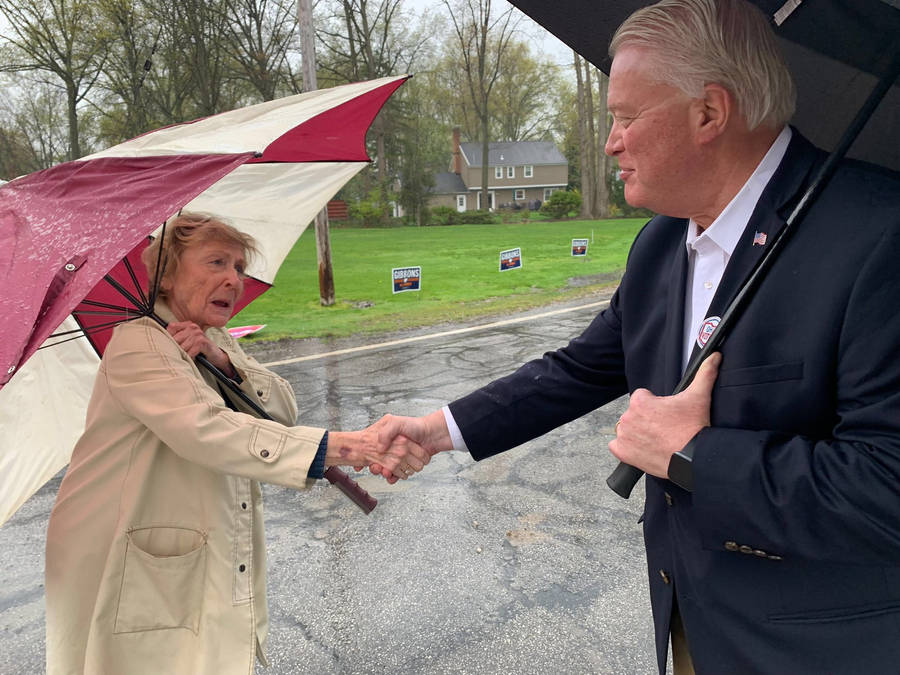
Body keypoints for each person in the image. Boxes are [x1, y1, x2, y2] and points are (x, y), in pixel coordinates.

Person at [372, 0, 900, 673]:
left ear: (709, 113)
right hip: (690, 626)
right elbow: (578, 370)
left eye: (625, 117)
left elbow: (888, 487)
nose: (609, 142)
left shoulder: (879, 234)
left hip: (816, 650)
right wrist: (439, 429)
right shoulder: (659, 245)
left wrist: (695, 455)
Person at [44, 213, 425, 675]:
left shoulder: (214, 338)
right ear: (166, 275)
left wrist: (220, 360)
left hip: (190, 543)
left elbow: (281, 407)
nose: (233, 279)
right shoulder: (137, 343)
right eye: (216, 262)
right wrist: (345, 447)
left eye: (240, 267)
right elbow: (206, 429)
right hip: (124, 552)